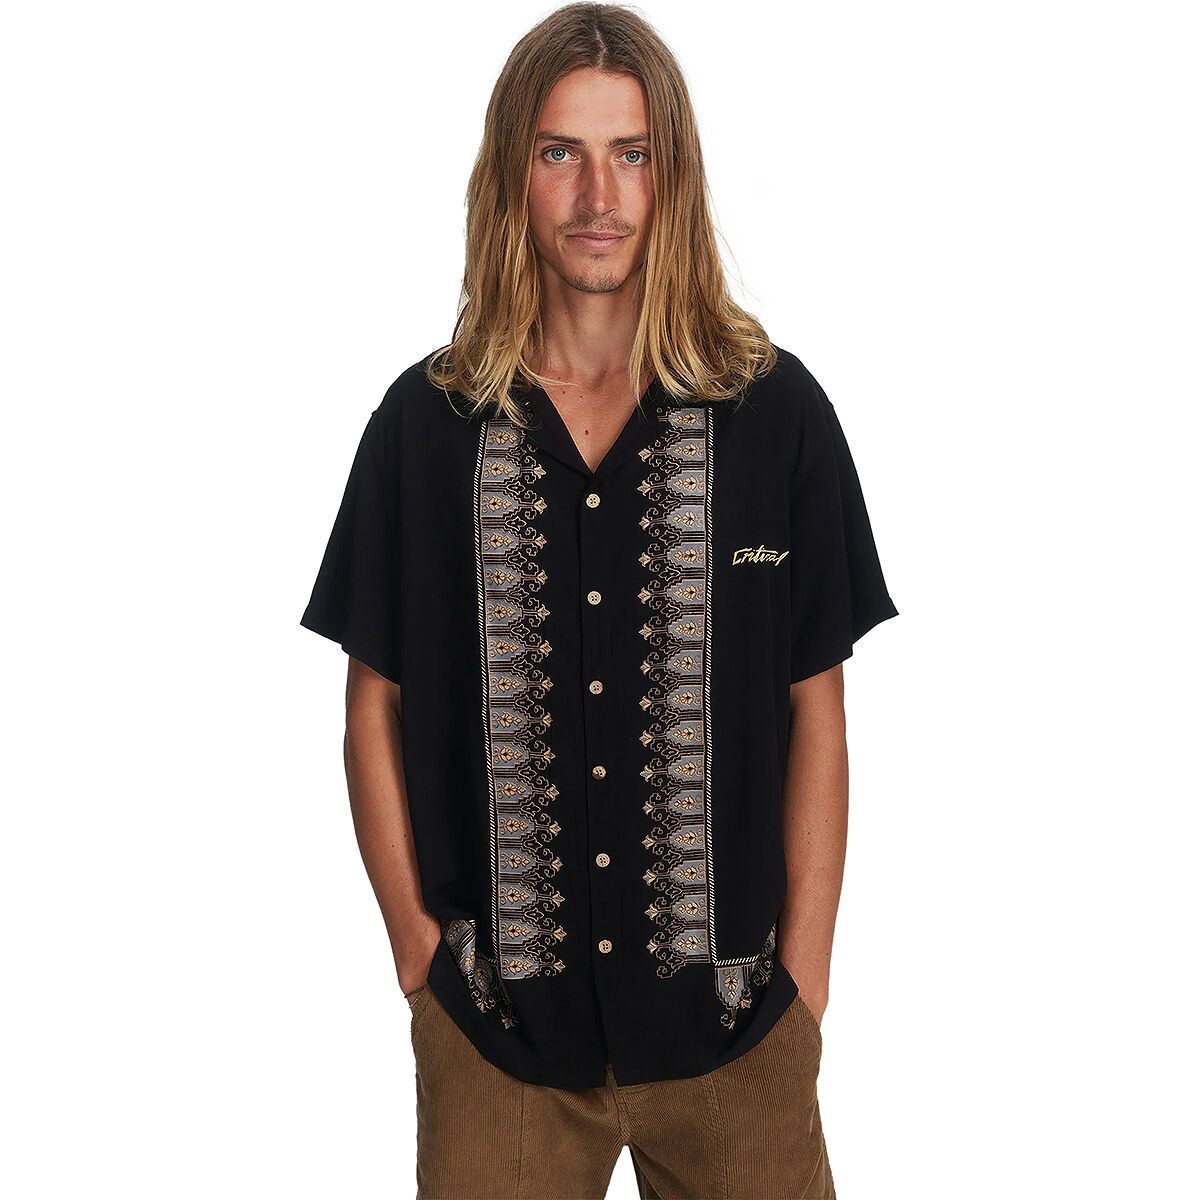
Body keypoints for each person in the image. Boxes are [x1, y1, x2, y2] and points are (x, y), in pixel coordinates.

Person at [300, 4, 897, 1196]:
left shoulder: (776, 415)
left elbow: (817, 711)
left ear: (672, 174)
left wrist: (803, 988)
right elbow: (373, 705)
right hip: (499, 1045)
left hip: (736, 1035)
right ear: (511, 176)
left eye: (631, 153)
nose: (597, 196)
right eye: (559, 152)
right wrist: (419, 960)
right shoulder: (426, 426)